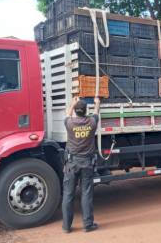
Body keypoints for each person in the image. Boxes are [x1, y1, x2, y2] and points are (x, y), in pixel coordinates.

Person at [62, 96, 100, 233]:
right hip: (87, 164)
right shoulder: (91, 123)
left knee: (68, 194)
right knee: (86, 193)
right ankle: (88, 225)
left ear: (76, 112)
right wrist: (97, 103)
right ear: (85, 111)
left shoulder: (69, 123)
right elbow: (96, 113)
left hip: (71, 164)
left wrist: (72, 103)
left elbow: (67, 113)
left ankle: (66, 226)